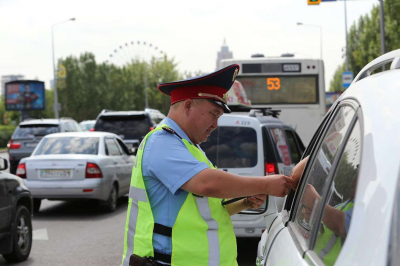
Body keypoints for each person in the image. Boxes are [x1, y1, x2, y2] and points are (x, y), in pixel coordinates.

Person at [121, 64, 294, 266]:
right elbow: (208, 185)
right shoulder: (162, 142)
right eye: (213, 114)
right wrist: (265, 184)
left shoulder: (187, 146)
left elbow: (206, 208)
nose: (215, 125)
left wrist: (245, 202)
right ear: (187, 106)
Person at [291, 157, 358, 266]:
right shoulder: (344, 206)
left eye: (361, 174)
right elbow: (326, 232)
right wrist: (312, 218)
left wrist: (315, 202)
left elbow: (344, 226)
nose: (355, 178)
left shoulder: (371, 211)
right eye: (357, 172)